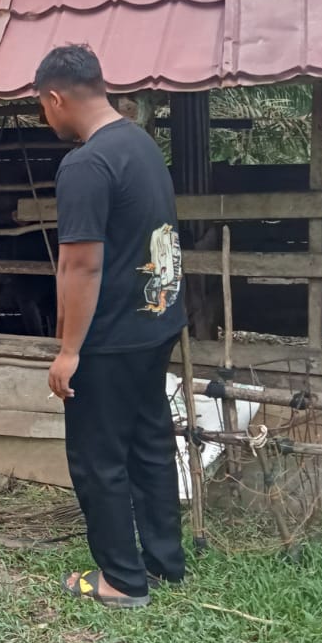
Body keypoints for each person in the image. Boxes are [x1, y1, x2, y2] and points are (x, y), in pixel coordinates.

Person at [36, 44, 187, 609]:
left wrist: (69, 351)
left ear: (56, 98)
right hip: (158, 321)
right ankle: (163, 560)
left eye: (41, 106)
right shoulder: (140, 144)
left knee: (97, 459)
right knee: (149, 443)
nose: (45, 117)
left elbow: (82, 265)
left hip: (111, 337)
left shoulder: (85, 164)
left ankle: (121, 580)